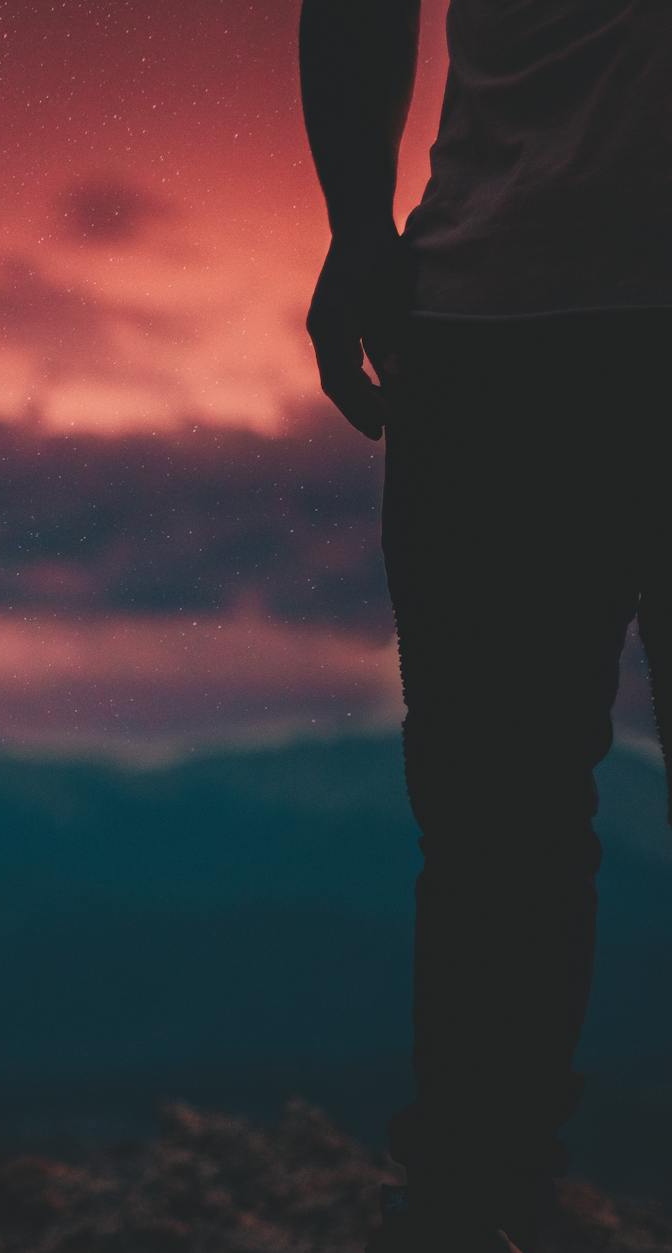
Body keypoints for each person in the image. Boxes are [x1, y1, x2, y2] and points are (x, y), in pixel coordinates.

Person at [298, 1, 672, 1249]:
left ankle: (474, 1197)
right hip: (491, 319)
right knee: (490, 822)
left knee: (493, 827)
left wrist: (358, 232)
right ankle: (472, 1195)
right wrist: (355, 234)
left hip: (491, 325)